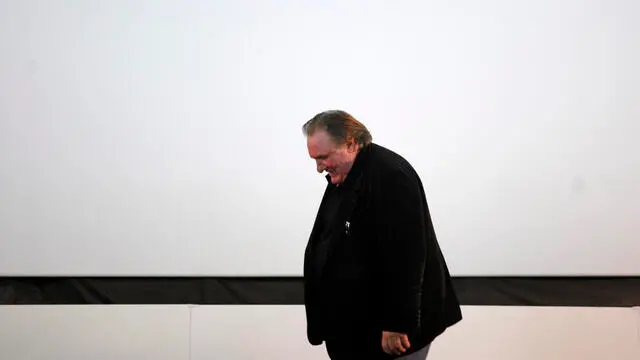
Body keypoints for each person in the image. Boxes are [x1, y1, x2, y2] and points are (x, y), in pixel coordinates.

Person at [302, 110, 462, 360]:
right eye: (314, 159)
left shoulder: (390, 175)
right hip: (356, 331)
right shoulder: (345, 175)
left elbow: (408, 256)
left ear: (351, 144)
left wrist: (398, 323)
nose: (318, 168)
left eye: (323, 158)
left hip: (391, 335)